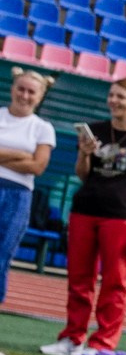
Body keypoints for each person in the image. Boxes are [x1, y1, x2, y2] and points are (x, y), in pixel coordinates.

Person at [42, 75, 126, 355]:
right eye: (111, 95)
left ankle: (102, 345)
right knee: (78, 278)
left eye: (121, 96)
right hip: (84, 210)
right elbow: (83, 175)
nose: (113, 101)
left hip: (120, 216)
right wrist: (84, 155)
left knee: (114, 282)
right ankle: (72, 338)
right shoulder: (94, 130)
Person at [0, 68, 56, 306]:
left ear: (40, 96)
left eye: (31, 91)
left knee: (2, 254)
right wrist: (21, 155)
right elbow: (29, 160)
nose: (24, 95)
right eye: (20, 89)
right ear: (12, 89)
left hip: (17, 195)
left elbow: (37, 166)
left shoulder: (43, 128)